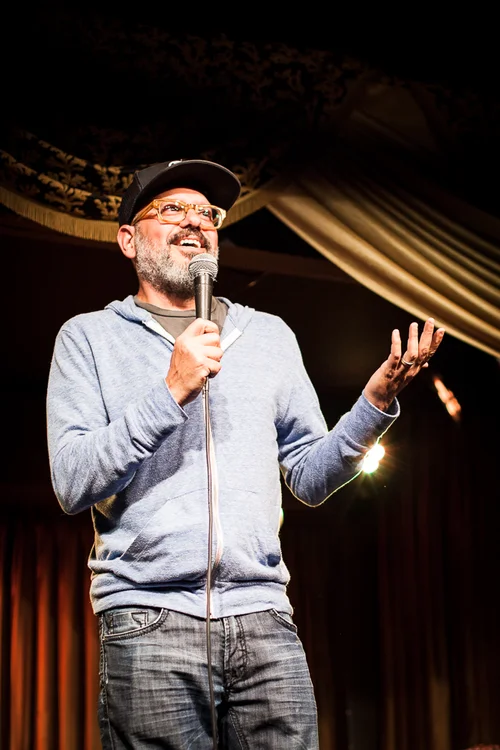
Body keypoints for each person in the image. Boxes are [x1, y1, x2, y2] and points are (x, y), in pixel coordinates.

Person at [46, 158, 445, 749]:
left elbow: (309, 476)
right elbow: (72, 480)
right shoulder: (88, 338)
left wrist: (373, 405)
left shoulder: (269, 336)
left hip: (265, 619)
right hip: (149, 619)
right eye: (172, 209)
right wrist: (170, 392)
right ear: (128, 239)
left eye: (207, 213)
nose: (195, 222)